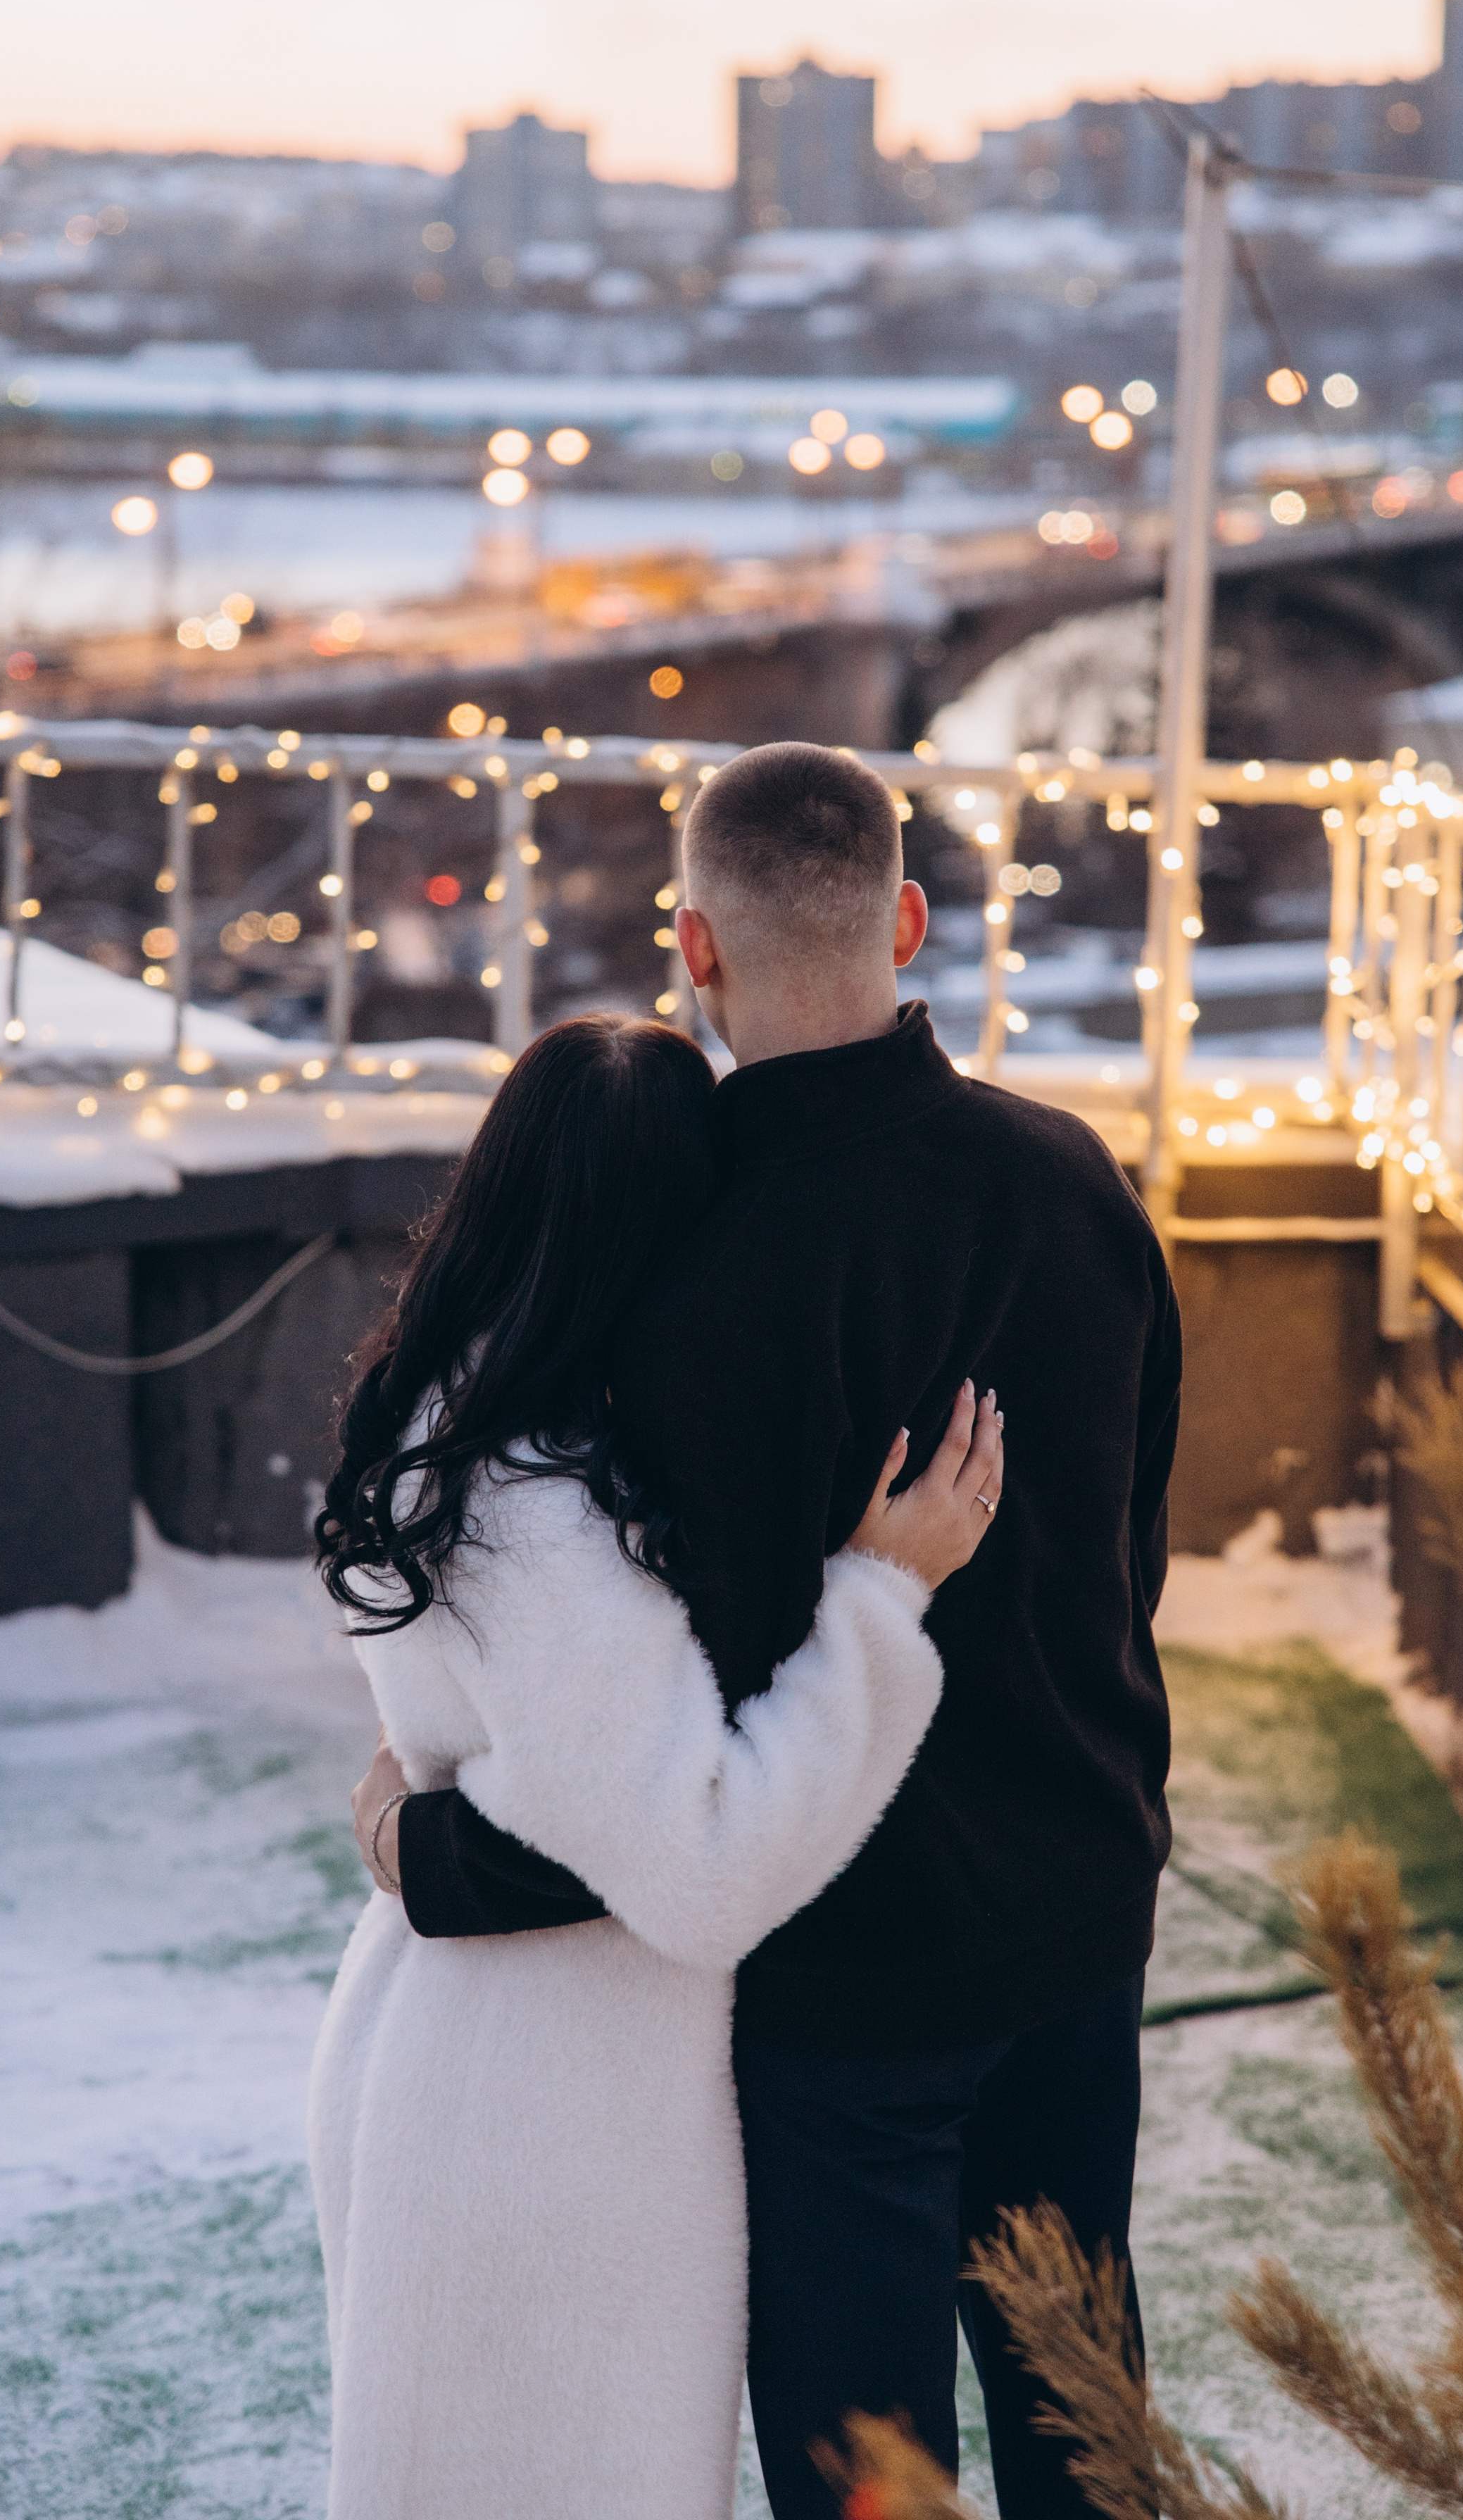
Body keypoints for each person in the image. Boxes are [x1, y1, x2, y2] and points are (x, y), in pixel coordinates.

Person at [363, 741, 1181, 2518]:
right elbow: (1129, 1555)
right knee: (1088, 2432)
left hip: (838, 1975)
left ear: (692, 946)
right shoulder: (1076, 1180)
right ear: (903, 921)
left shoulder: (664, 1258)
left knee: (863, 2470)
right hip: (1072, 1902)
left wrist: (437, 1854)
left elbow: (654, 1740)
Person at [309, 1010, 1005, 2520]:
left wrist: (412, 1834)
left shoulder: (463, 1413)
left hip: (492, 2051)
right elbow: (697, 1864)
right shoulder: (530, 1504)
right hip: (546, 2107)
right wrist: (880, 1600)